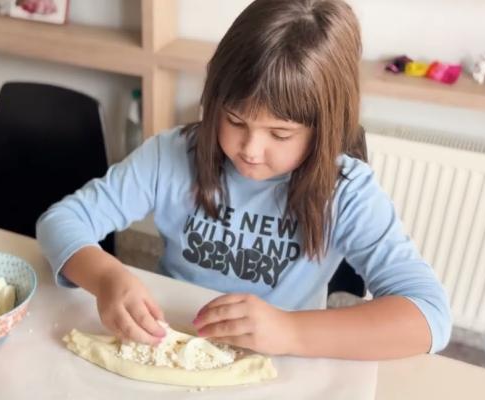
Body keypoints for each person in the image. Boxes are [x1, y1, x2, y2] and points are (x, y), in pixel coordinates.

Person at [37, 0, 451, 360]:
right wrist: (107, 276)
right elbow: (61, 220)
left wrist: (290, 331)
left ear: (324, 129)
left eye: (280, 134)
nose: (250, 149)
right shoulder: (172, 155)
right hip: (175, 340)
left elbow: (429, 315)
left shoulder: (346, 191)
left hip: (285, 361)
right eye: (234, 120)